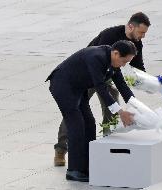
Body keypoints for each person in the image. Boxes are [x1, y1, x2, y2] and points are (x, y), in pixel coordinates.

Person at [54, 12, 151, 166]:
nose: (143, 36)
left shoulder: (136, 43)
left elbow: (138, 69)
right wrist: (120, 110)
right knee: (75, 110)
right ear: (131, 26)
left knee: (112, 96)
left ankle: (107, 139)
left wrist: (151, 86)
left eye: (145, 33)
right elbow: (99, 72)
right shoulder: (109, 35)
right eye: (141, 32)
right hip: (88, 74)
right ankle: (61, 149)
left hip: (107, 73)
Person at [46, 40, 137, 182]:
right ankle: (74, 170)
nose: (124, 65)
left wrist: (138, 107)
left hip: (78, 88)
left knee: (89, 124)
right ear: (116, 53)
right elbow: (100, 87)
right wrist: (120, 112)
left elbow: (122, 86)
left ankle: (87, 165)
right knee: (76, 125)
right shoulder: (97, 57)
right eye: (124, 61)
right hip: (63, 86)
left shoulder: (113, 61)